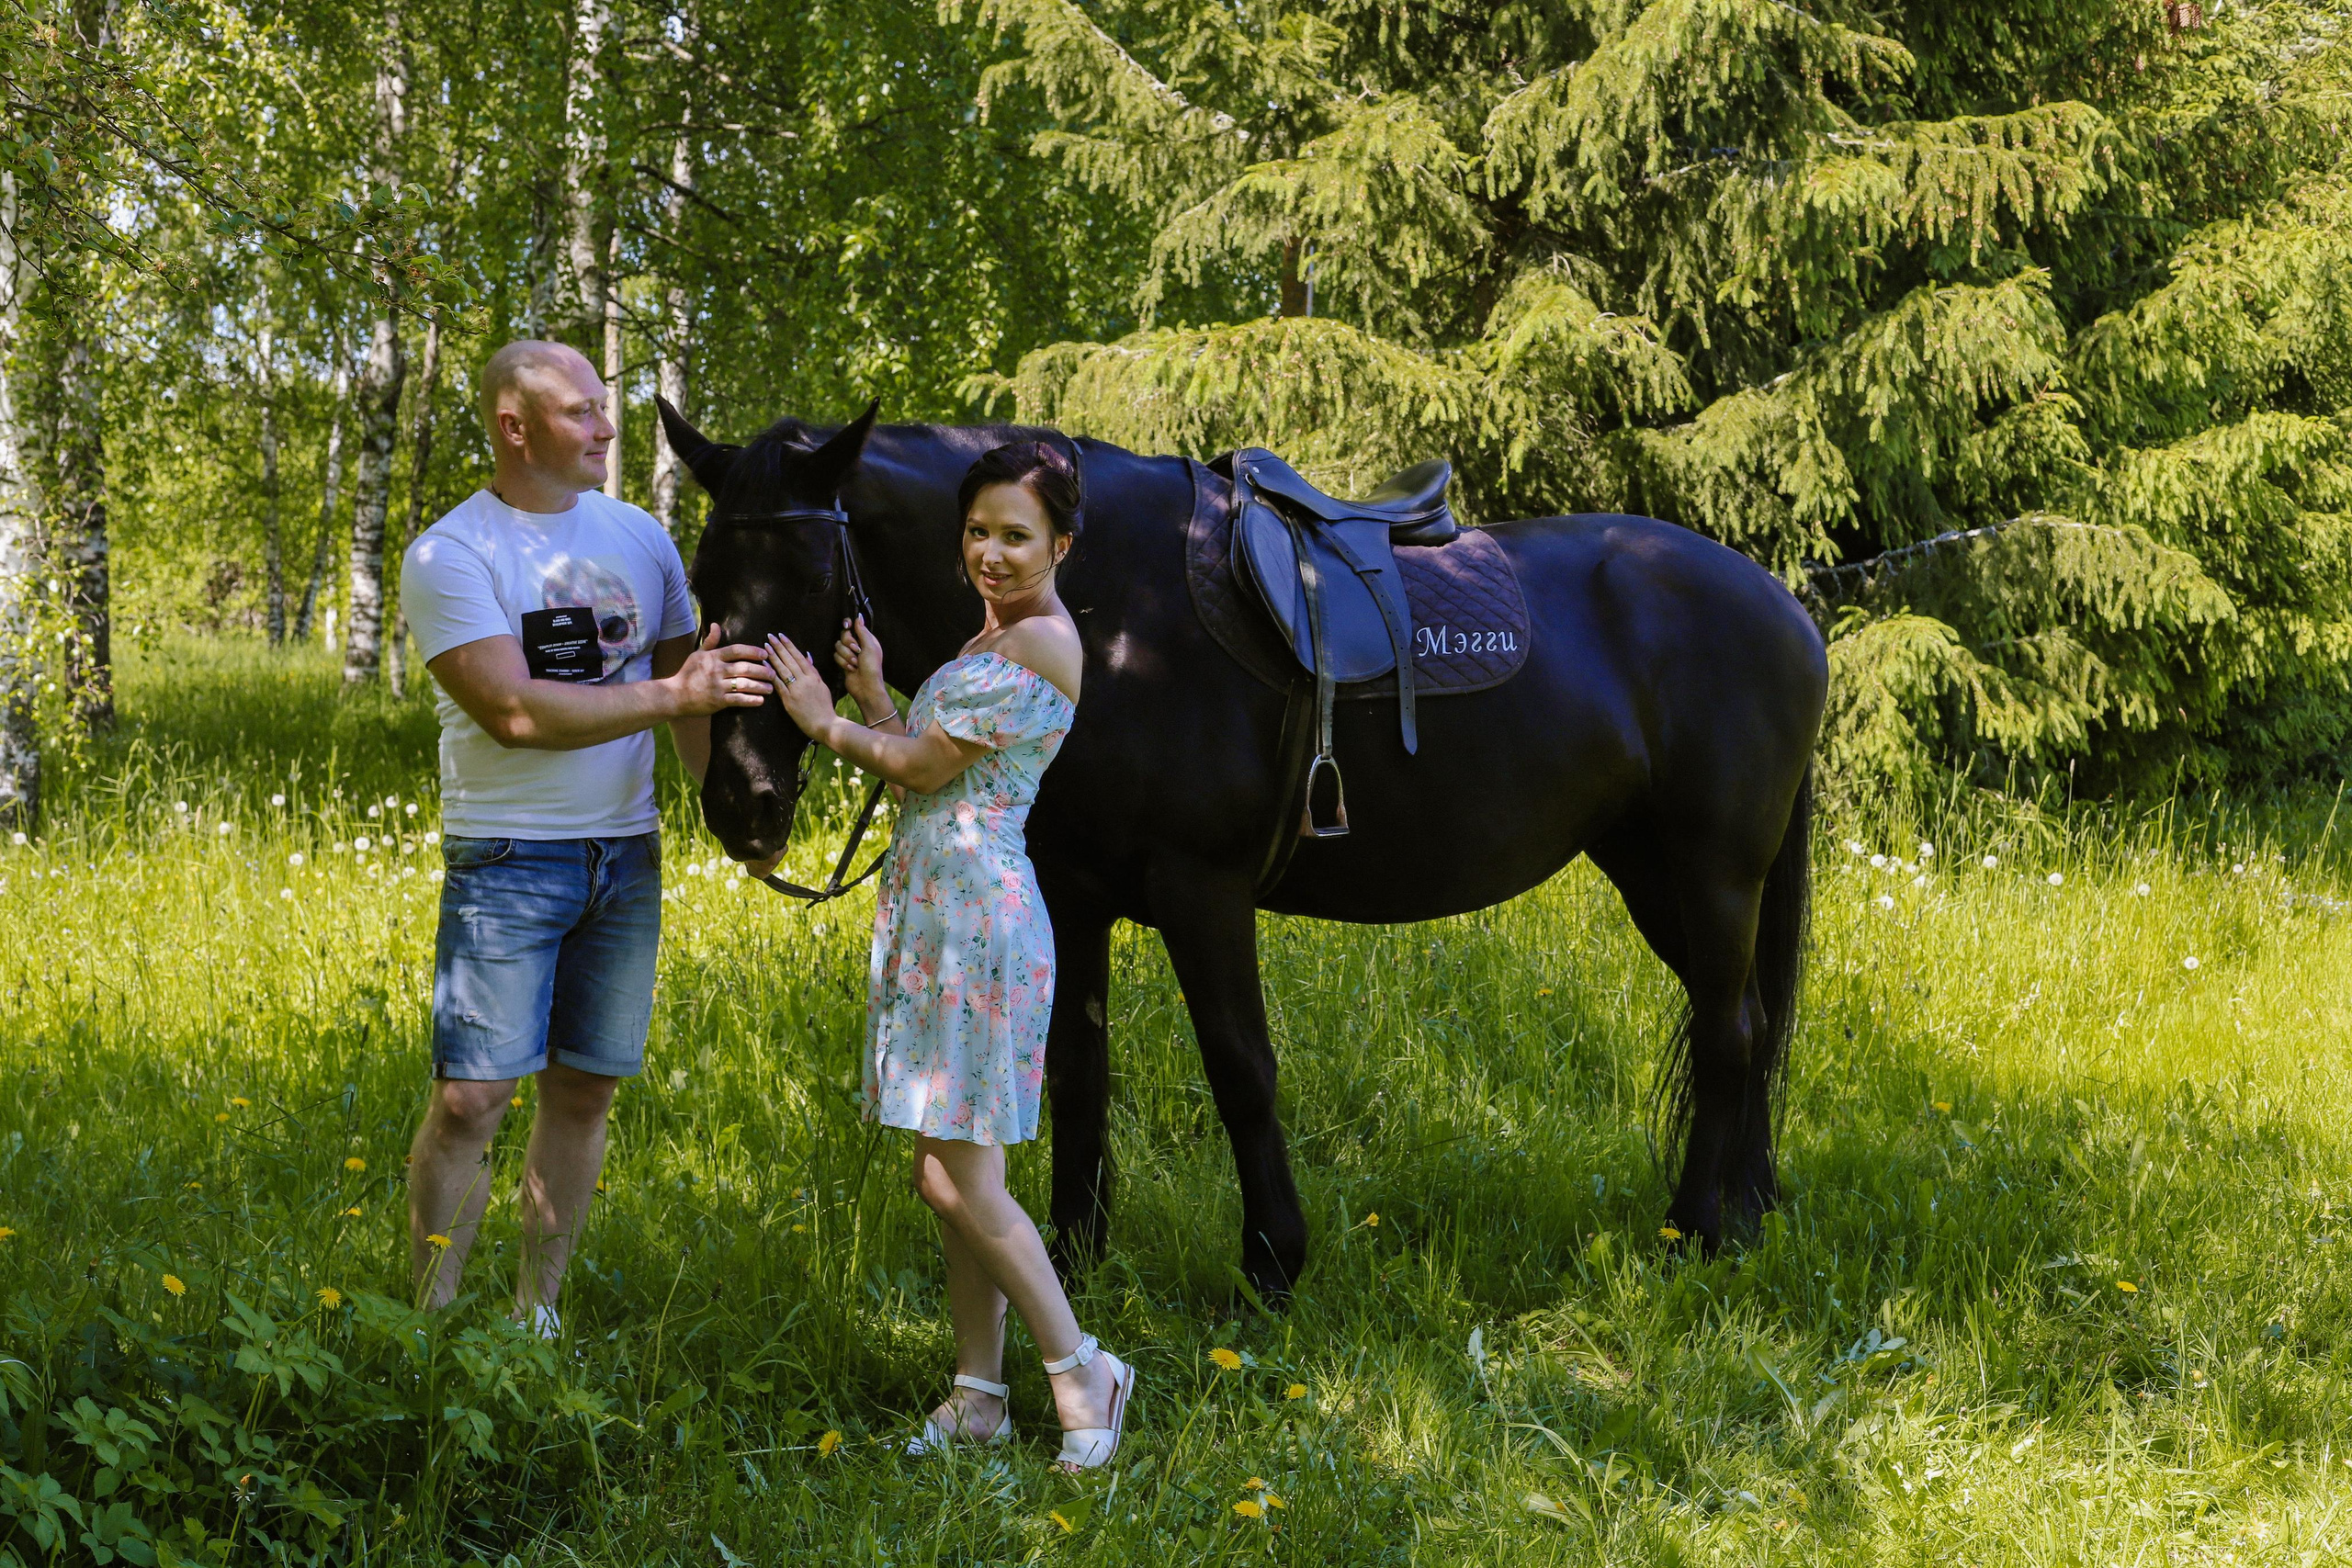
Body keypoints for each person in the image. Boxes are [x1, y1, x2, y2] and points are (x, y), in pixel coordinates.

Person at [762, 441, 1135, 1470]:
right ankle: (978, 1394)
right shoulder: (989, 639)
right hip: (938, 919)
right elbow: (923, 776)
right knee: (949, 1170)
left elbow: (926, 768)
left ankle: (1084, 1372)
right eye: (978, 531)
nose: (992, 553)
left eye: (1017, 535)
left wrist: (824, 722)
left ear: (1061, 545)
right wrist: (874, 692)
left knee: (961, 1176)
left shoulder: (1040, 643)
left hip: (978, 925)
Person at [399, 339, 775, 1332]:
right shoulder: (450, 554)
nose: (606, 427)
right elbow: (514, 712)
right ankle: (430, 1322)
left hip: (625, 856)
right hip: (507, 858)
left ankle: (537, 1315)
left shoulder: (641, 537)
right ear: (513, 427)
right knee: (471, 1099)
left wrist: (734, 821)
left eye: (604, 406)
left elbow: (696, 701)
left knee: (584, 1092)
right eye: (580, 411)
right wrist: (672, 694)